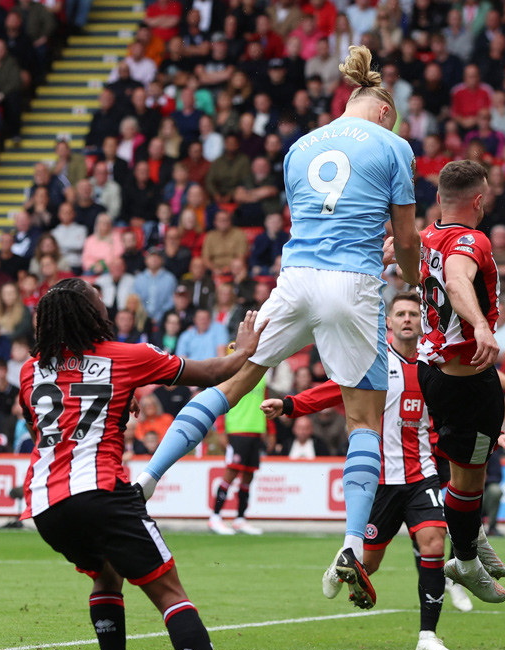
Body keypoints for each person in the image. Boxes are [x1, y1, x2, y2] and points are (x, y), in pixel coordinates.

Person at [135, 45, 421, 610]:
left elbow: (315, 218)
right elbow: (406, 240)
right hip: (351, 284)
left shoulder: (299, 147)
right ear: (384, 111)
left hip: (294, 279)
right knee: (365, 417)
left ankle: (146, 482)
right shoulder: (394, 146)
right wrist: (405, 272)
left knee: (231, 381)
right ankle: (349, 545)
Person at [19, 278, 267, 650]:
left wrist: (117, 395)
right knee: (169, 592)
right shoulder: (126, 355)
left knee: (105, 576)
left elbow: (46, 416)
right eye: (99, 302)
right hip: (101, 493)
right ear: (91, 315)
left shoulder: (29, 370)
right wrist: (246, 348)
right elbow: (215, 372)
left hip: (46, 505)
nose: (106, 307)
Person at [264, 292, 505, 650]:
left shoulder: (433, 366)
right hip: (381, 481)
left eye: (412, 314)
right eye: (399, 313)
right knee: (367, 564)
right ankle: (343, 565)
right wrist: (291, 404)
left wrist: (495, 434)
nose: (406, 319)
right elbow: (336, 390)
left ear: (421, 321)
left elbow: (457, 413)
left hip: (422, 476)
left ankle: (428, 635)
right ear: (388, 321)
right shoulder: (374, 362)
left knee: (434, 543)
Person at [414, 159, 505, 603]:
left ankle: (471, 534)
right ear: (479, 200)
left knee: (464, 473)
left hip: (432, 369)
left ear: (439, 198)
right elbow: (456, 282)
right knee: (471, 479)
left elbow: (396, 256)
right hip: (467, 382)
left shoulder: (426, 236)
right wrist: (482, 325)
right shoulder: (472, 240)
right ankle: (466, 559)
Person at [210, 372, 269, 536]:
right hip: (236, 430)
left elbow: (265, 401)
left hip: (256, 429)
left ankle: (240, 519)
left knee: (248, 476)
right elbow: (222, 399)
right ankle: (215, 516)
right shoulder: (233, 372)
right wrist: (221, 429)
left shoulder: (262, 375)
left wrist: (268, 428)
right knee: (231, 473)